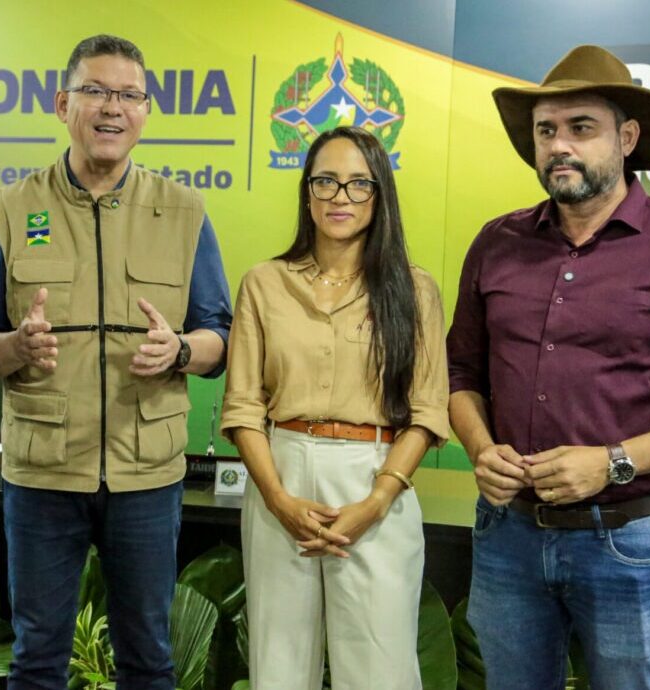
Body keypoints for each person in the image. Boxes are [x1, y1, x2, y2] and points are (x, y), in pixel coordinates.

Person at [448, 45, 650, 690]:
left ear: (627, 138)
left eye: (581, 128)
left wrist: (611, 460)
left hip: (633, 540)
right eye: (546, 130)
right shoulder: (496, 243)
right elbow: (461, 374)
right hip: (508, 535)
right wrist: (480, 447)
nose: (560, 146)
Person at [0, 34, 232, 689]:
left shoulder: (185, 211)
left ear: (145, 113)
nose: (112, 107)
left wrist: (178, 350)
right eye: (95, 91)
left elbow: (218, 335)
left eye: (129, 95)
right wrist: (14, 349)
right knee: (36, 659)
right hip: (42, 473)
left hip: (147, 474)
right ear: (63, 104)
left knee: (149, 658)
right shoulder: (10, 209)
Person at [221, 126, 448, 689]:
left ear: (380, 195)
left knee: (379, 667)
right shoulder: (264, 283)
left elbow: (427, 410)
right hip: (282, 474)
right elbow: (244, 406)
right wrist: (276, 498)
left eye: (356, 185)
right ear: (306, 193)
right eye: (325, 181)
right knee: (278, 662)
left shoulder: (413, 290)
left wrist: (377, 500)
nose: (339, 198)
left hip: (375, 476)